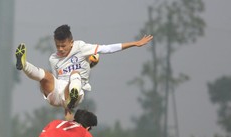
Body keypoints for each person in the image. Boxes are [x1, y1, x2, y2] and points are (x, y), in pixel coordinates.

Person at [15, 24, 153, 114]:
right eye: (57, 46)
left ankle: (72, 98)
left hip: (76, 90)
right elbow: (56, 80)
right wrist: (65, 106)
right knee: (46, 76)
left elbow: (107, 48)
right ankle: (23, 64)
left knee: (75, 74)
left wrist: (135, 43)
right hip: (58, 93)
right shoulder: (53, 58)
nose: (60, 49)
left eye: (63, 45)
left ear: (71, 42)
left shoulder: (81, 47)